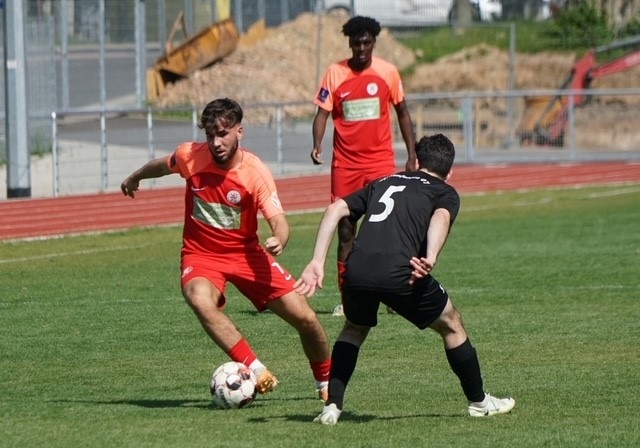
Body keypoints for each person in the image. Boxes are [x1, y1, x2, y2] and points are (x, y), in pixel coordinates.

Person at [295, 134, 515, 424]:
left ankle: (332, 406)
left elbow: (335, 209)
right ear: (449, 171)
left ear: (417, 162)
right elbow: (441, 218)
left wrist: (317, 261)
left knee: (354, 329)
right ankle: (479, 402)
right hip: (401, 271)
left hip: (356, 269)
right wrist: (431, 256)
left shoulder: (384, 181)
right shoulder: (445, 191)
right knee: (452, 324)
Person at [121, 98, 331, 400]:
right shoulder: (190, 156)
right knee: (199, 298)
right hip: (201, 255)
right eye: (210, 135)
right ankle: (256, 369)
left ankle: (326, 384)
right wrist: (135, 176)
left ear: (239, 131)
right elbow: (162, 165)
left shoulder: (254, 172)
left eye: (223, 134)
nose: (216, 143)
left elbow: (280, 222)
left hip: (246, 256)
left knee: (306, 319)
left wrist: (279, 239)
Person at [310, 15, 416, 317]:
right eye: (356, 43)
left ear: (374, 43)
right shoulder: (335, 73)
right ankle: (349, 301)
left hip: (380, 163)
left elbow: (403, 113)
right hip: (345, 167)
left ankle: (394, 295)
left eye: (366, 43)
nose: (361, 48)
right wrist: (317, 144)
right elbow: (321, 115)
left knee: (387, 230)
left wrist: (411, 154)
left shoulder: (388, 72)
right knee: (346, 232)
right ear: (349, 43)